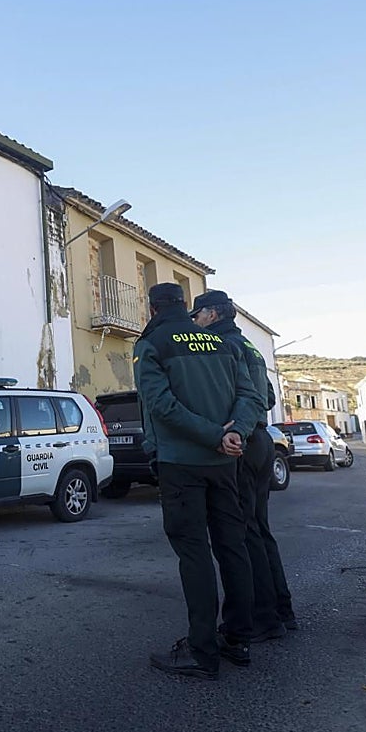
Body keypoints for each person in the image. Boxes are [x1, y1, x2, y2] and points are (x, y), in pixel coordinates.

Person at [134, 283, 258, 680]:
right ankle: (238, 639)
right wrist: (235, 431)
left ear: (152, 306)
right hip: (225, 463)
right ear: (186, 307)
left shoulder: (153, 344)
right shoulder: (219, 342)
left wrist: (212, 435)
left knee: (194, 554)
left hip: (181, 463)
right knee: (232, 546)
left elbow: (161, 405)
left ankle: (202, 651)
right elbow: (251, 395)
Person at [191, 290, 297, 637]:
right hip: (262, 441)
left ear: (212, 315)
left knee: (242, 533)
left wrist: (229, 426)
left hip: (241, 444)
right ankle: (282, 610)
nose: (194, 322)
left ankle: (264, 619)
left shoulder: (219, 346)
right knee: (259, 529)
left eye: (198, 315)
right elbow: (266, 397)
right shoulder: (250, 347)